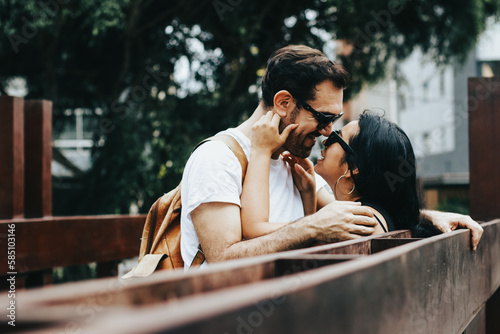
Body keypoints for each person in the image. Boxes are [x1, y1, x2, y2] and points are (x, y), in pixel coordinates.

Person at [180, 45, 483, 269]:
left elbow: (350, 213)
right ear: (284, 102)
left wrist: (426, 216)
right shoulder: (217, 159)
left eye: (335, 120)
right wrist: (310, 227)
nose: (327, 132)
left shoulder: (295, 164)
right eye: (323, 118)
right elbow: (223, 259)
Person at [241, 111, 429, 239]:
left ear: (353, 168)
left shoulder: (359, 221)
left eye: (335, 138)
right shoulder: (366, 213)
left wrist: (261, 150)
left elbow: (254, 230)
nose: (324, 142)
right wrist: (309, 194)